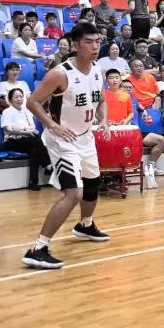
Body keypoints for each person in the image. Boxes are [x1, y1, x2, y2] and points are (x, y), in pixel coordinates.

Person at [23, 22, 110, 270]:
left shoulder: (98, 70)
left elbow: (101, 100)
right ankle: (38, 248)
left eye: (97, 42)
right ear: (74, 45)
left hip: (86, 136)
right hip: (63, 140)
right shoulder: (60, 74)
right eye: (88, 42)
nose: (94, 47)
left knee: (93, 184)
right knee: (74, 193)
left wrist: (104, 119)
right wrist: (51, 124)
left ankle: (85, 225)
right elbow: (32, 102)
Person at [0, 88, 51, 191]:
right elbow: (8, 130)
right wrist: (25, 130)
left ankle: (33, 182)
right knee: (35, 139)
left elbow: (33, 127)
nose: (19, 99)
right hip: (11, 141)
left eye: (21, 96)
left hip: (27, 140)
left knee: (34, 150)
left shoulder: (26, 111)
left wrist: (21, 129)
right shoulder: (6, 112)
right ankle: (48, 164)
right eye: (16, 97)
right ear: (10, 99)